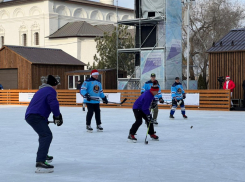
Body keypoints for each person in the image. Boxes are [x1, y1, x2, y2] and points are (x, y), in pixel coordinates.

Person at [25, 75, 63, 173]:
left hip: (33, 115)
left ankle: (43, 154)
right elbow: (53, 103)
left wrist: (45, 120)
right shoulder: (51, 91)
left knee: (43, 134)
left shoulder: (41, 90)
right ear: (54, 85)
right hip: (35, 116)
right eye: (56, 85)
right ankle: (40, 162)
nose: (56, 87)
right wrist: (57, 116)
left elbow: (40, 105)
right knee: (46, 135)